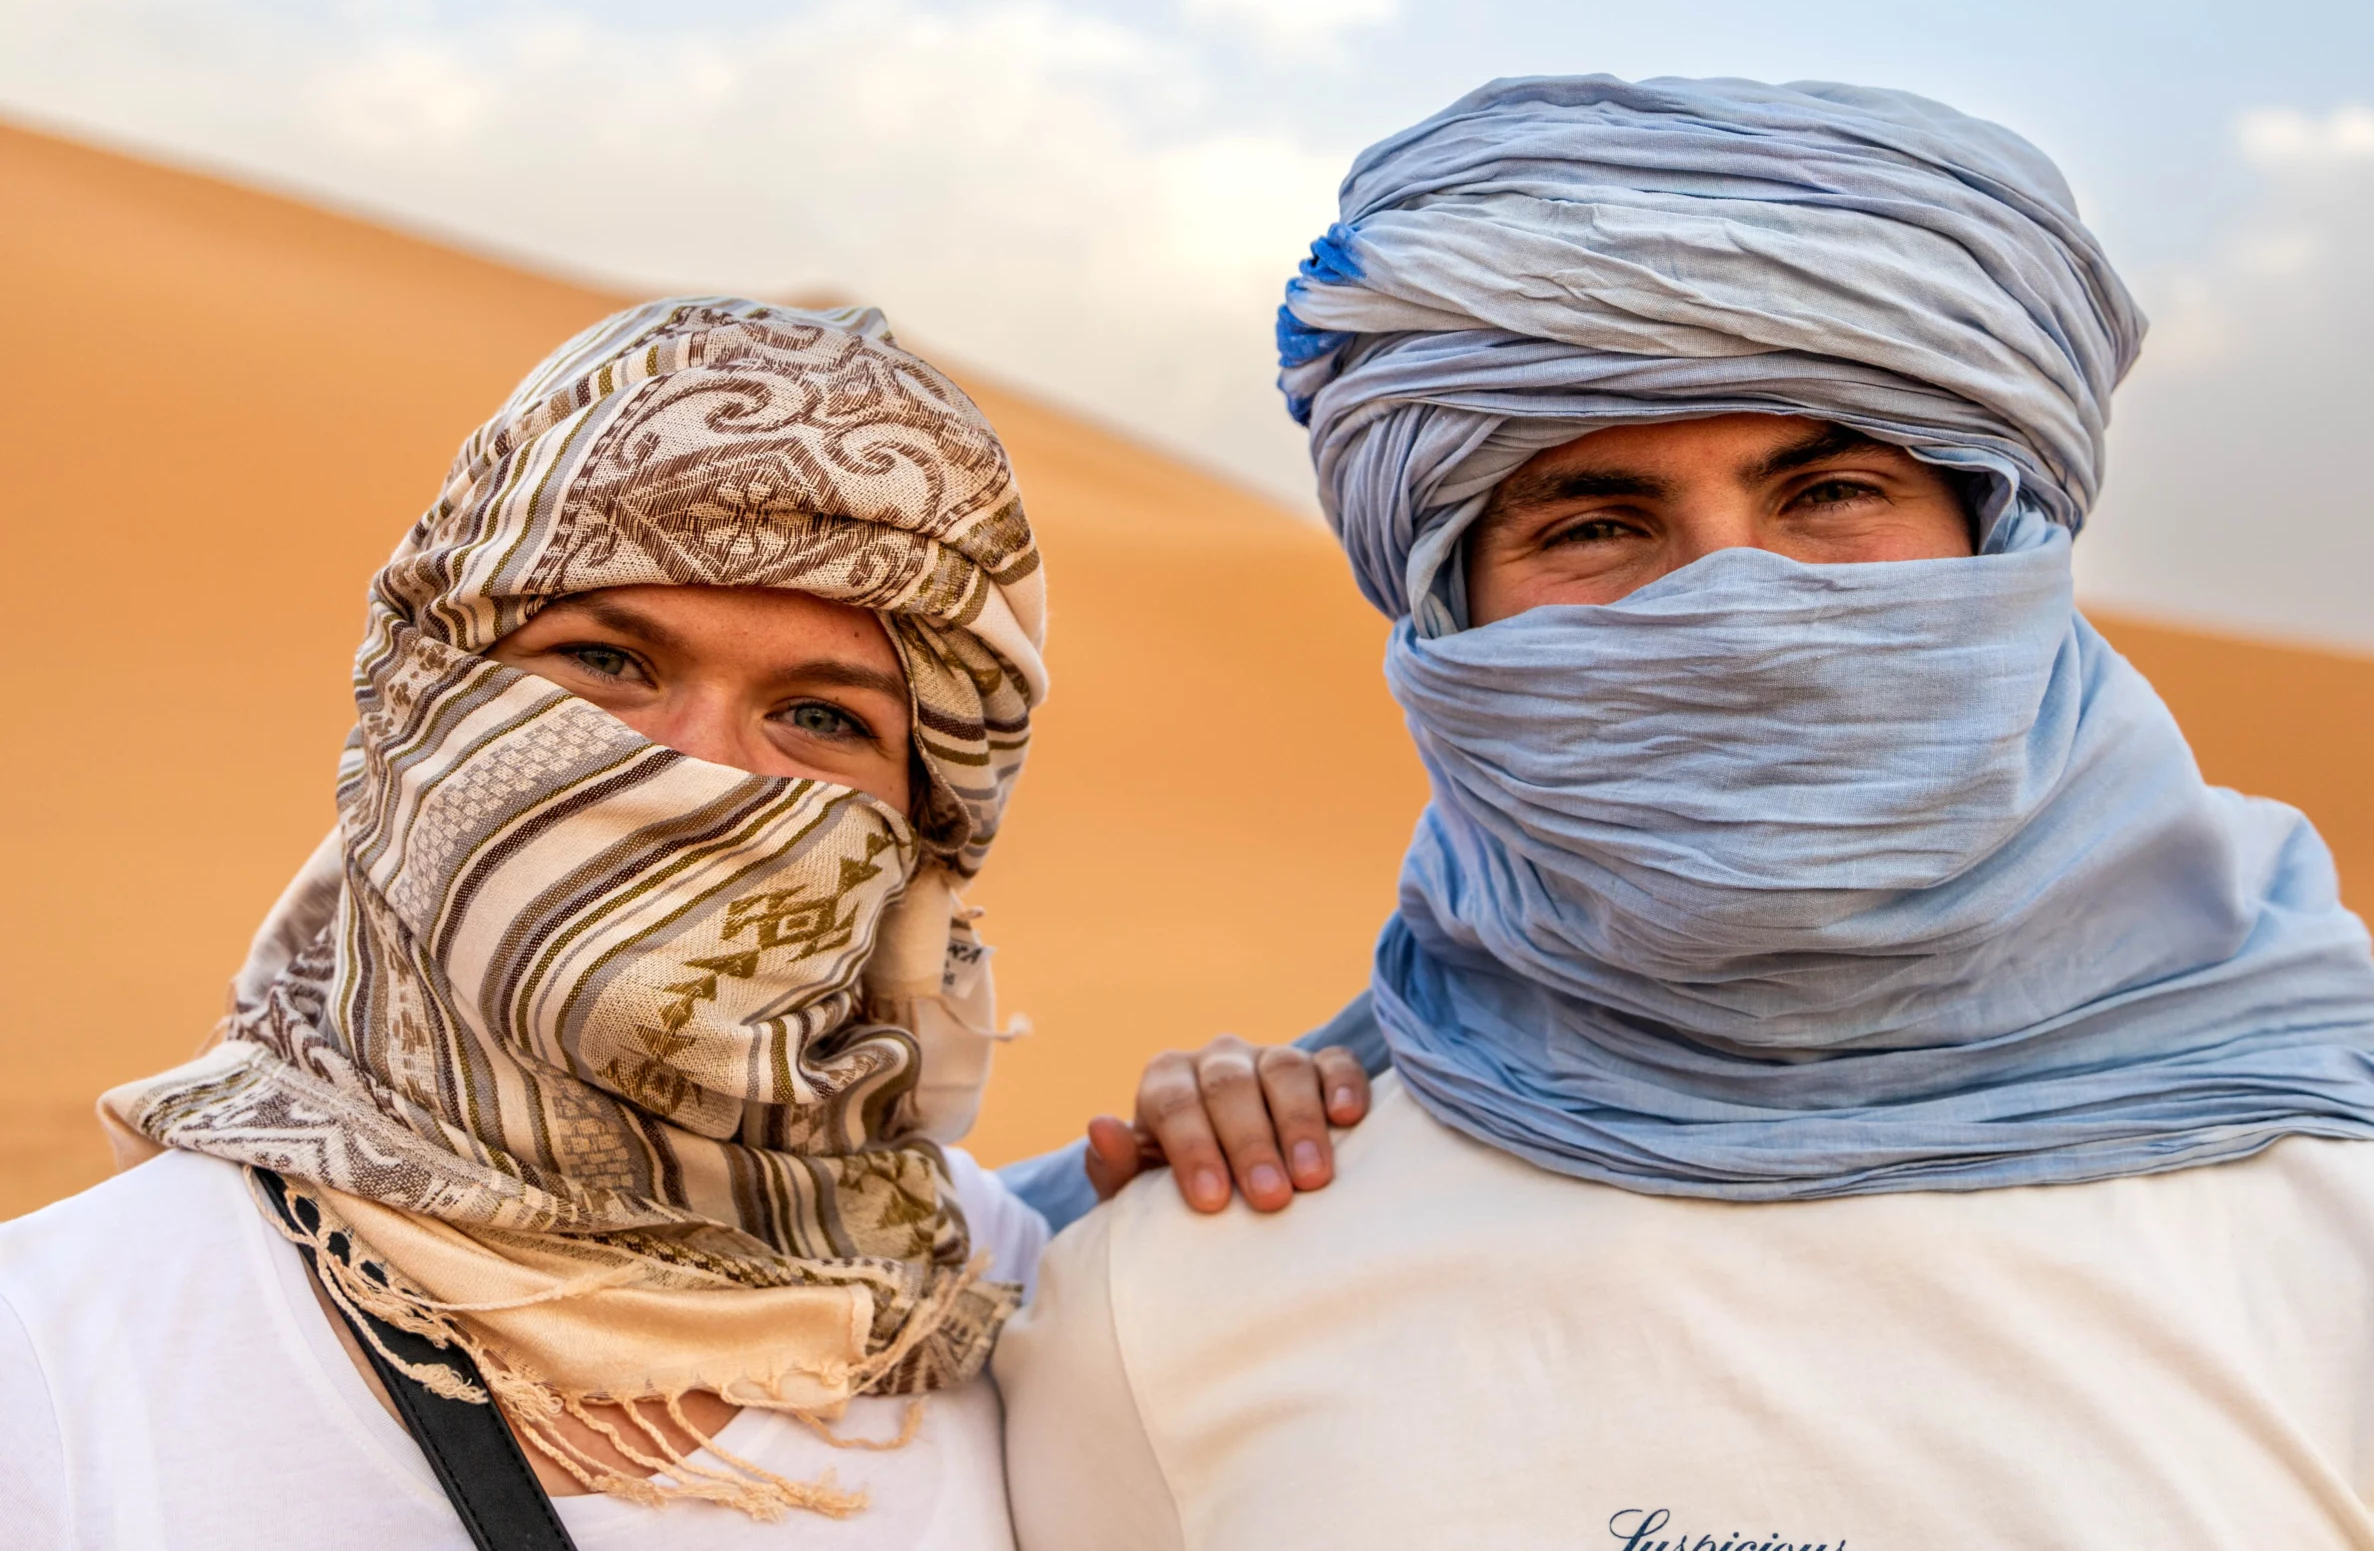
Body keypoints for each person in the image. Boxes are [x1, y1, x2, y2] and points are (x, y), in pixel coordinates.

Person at [996, 77, 2374, 1548]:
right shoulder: (1177, 1292)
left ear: (1998, 544)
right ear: (1453, 618)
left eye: (1831, 494)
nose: (1736, 603)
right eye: (1595, 522)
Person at [0, 298, 1360, 1549]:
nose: (696, 767)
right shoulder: (60, 1351)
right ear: (427, 693)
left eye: (819, 717)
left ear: (923, 834)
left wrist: (1218, 1217)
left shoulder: (1005, 1303)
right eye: (607, 661)